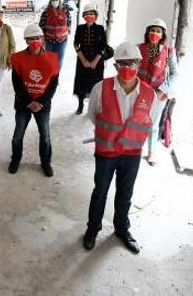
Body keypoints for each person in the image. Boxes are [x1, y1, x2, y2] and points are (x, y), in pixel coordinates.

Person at [82, 41, 165, 254]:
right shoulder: (100, 88)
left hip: (132, 154)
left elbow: (150, 120)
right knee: (100, 192)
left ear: (139, 64)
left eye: (132, 63)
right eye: (122, 63)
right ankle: (92, 229)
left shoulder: (149, 94)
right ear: (115, 66)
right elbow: (93, 115)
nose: (127, 67)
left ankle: (121, 229)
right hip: (106, 152)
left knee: (125, 193)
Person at [9, 24, 60, 177]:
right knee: (18, 135)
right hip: (23, 104)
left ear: (42, 39)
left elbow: (53, 84)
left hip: (42, 105)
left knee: (45, 136)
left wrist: (41, 102)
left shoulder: (52, 59)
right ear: (26, 41)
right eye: (30, 39)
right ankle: (15, 160)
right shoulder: (18, 58)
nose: (34, 41)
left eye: (37, 38)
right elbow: (17, 84)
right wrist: (28, 102)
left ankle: (46, 162)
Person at [137, 18, 179, 164]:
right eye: (152, 30)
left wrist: (162, 90)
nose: (154, 33)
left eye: (158, 31)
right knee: (135, 121)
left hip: (158, 94)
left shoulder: (169, 52)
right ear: (147, 32)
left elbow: (175, 74)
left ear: (162, 35)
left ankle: (151, 153)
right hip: (139, 92)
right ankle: (133, 149)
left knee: (153, 125)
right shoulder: (139, 48)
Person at [73, 3, 110, 115]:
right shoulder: (80, 28)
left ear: (95, 15)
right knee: (81, 83)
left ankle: (94, 107)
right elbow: (76, 44)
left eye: (91, 14)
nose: (89, 16)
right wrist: (83, 60)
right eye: (87, 14)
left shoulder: (100, 28)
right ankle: (80, 105)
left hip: (97, 62)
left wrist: (95, 61)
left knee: (96, 85)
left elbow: (103, 46)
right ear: (83, 16)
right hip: (82, 61)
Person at [38, 0, 71, 68]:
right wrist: (42, 39)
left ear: (59, 0)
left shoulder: (66, 12)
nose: (54, 1)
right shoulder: (46, 13)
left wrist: (65, 33)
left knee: (59, 61)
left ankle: (56, 78)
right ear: (50, 1)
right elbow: (41, 26)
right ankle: (49, 77)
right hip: (49, 41)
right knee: (48, 61)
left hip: (62, 42)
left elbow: (69, 24)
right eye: (53, 0)